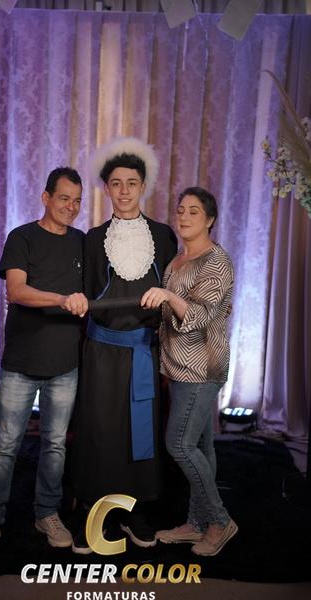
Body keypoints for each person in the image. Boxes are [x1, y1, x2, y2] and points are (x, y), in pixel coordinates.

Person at [0, 167, 88, 561]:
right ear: (45, 197)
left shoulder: (82, 242)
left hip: (65, 365)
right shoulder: (21, 237)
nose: (71, 207)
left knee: (55, 445)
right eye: (64, 198)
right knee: (5, 446)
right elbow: (16, 292)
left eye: (77, 201)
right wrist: (62, 299)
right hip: (20, 363)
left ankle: (47, 514)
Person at [72, 137, 177, 554]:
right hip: (101, 351)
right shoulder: (92, 238)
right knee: (99, 432)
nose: (124, 190)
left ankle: (135, 512)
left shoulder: (164, 237)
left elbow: (174, 295)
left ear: (143, 186)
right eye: (116, 183)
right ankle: (92, 512)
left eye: (132, 183)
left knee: (140, 433)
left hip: (143, 351)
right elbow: (82, 296)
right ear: (106, 189)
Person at [140, 186, 238, 557]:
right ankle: (197, 524)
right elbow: (168, 315)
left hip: (201, 369)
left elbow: (197, 316)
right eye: (181, 210)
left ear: (210, 219)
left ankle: (220, 521)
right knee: (200, 446)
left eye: (193, 211)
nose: (183, 217)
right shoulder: (178, 261)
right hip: (177, 368)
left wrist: (168, 296)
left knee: (179, 444)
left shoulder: (217, 262)